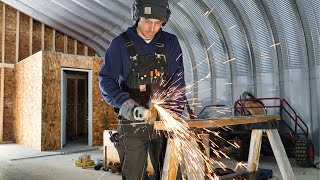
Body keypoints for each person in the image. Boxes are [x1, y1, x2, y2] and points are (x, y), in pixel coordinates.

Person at [99, 0, 185, 179]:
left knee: (171, 172)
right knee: (133, 175)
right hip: (132, 122)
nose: (152, 27)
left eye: (157, 23)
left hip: (164, 121)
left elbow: (178, 82)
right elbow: (106, 80)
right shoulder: (119, 44)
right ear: (136, 16)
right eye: (147, 21)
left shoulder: (171, 43)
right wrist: (130, 107)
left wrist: (174, 113)